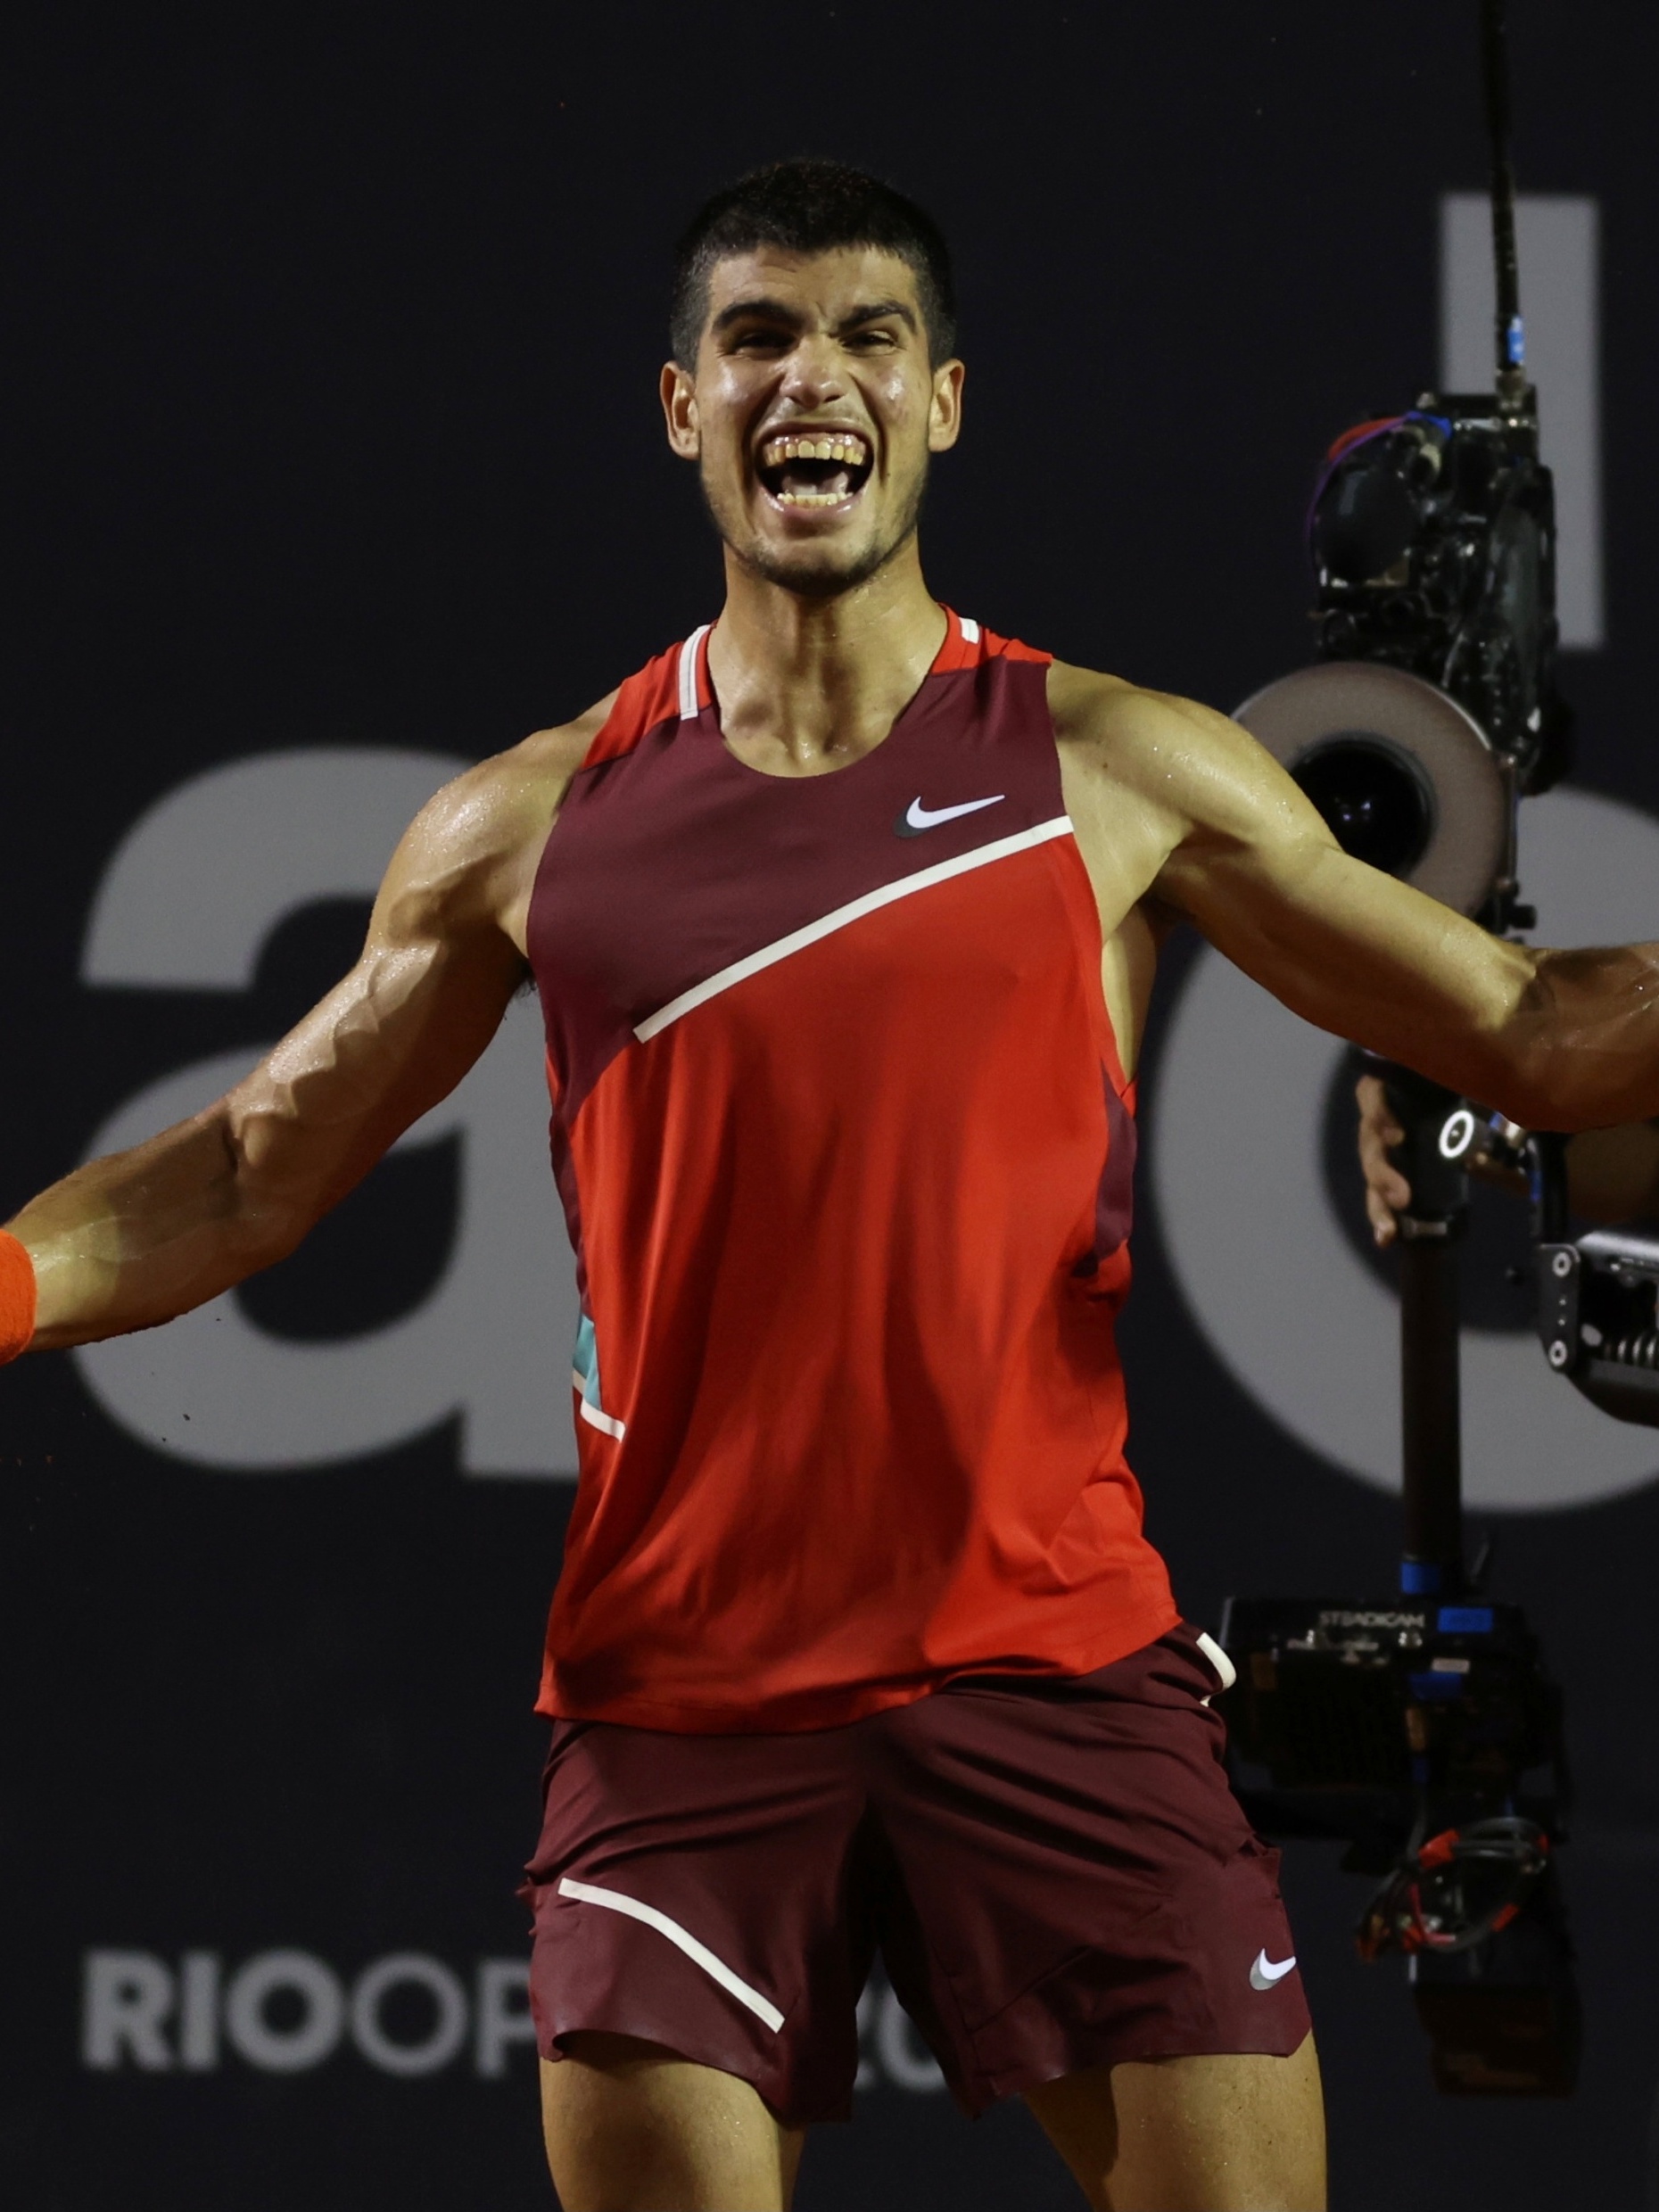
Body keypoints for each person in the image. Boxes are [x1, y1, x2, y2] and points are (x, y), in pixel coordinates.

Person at [5, 157, 1659, 2212]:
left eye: (870, 337)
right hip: (681, 1708)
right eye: (761, 338)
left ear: (944, 401)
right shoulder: (532, 823)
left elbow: (1525, 1027)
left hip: (1055, 1671)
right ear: (683, 406)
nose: (816, 378)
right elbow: (252, 1170)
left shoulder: (1115, 768)